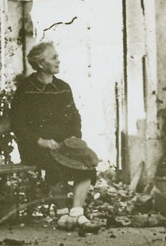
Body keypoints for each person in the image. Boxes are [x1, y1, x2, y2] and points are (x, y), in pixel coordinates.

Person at [9, 41, 99, 230]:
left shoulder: (63, 87)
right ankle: (62, 214)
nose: (59, 61)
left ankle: (76, 213)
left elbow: (75, 117)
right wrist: (40, 141)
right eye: (54, 58)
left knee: (87, 164)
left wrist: (73, 139)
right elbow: (18, 124)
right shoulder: (26, 89)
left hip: (64, 144)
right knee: (53, 165)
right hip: (35, 146)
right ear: (41, 64)